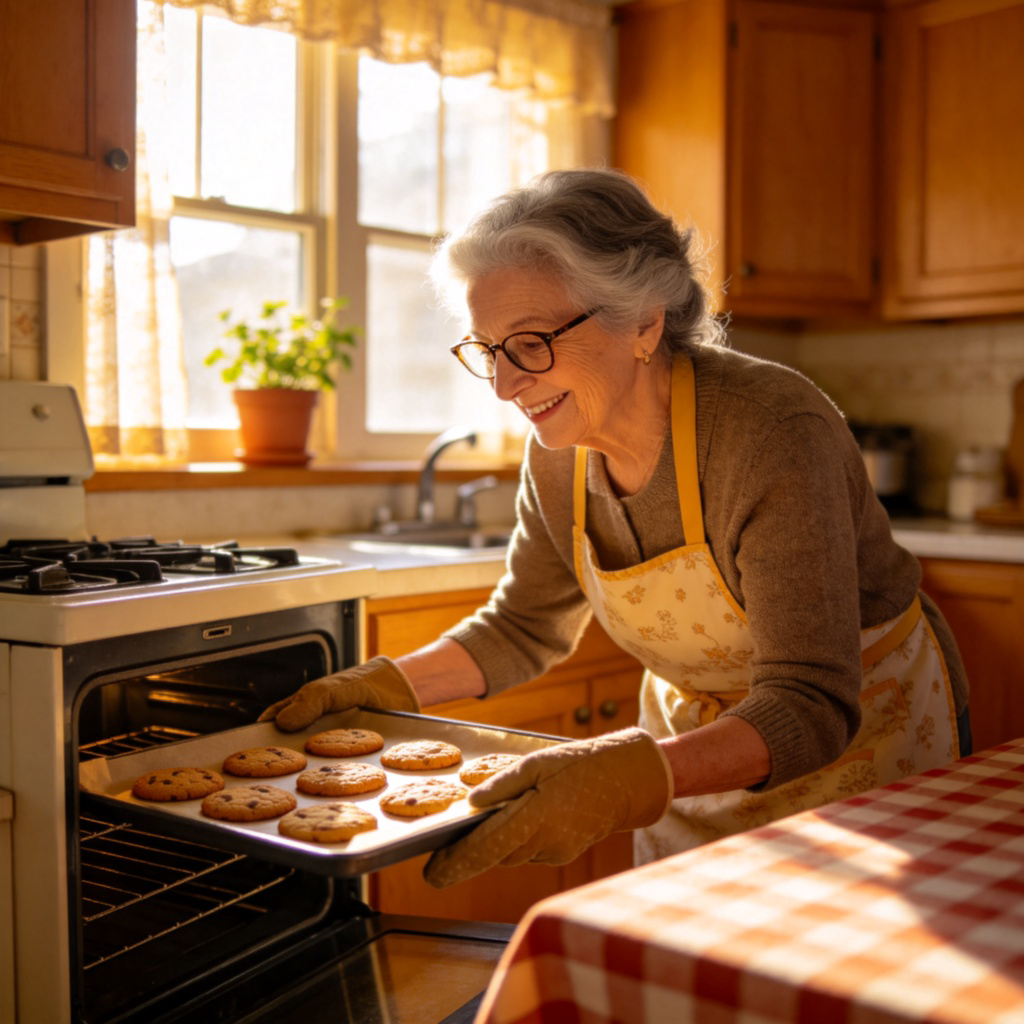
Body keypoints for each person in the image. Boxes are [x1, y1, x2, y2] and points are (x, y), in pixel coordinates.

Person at [260, 168, 970, 886]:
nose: (505, 386)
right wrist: (385, 686)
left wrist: (623, 778)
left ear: (643, 322)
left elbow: (810, 703)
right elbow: (524, 627)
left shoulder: (769, 433)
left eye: (531, 342)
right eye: (488, 350)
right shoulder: (558, 456)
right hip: (686, 759)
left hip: (862, 754)